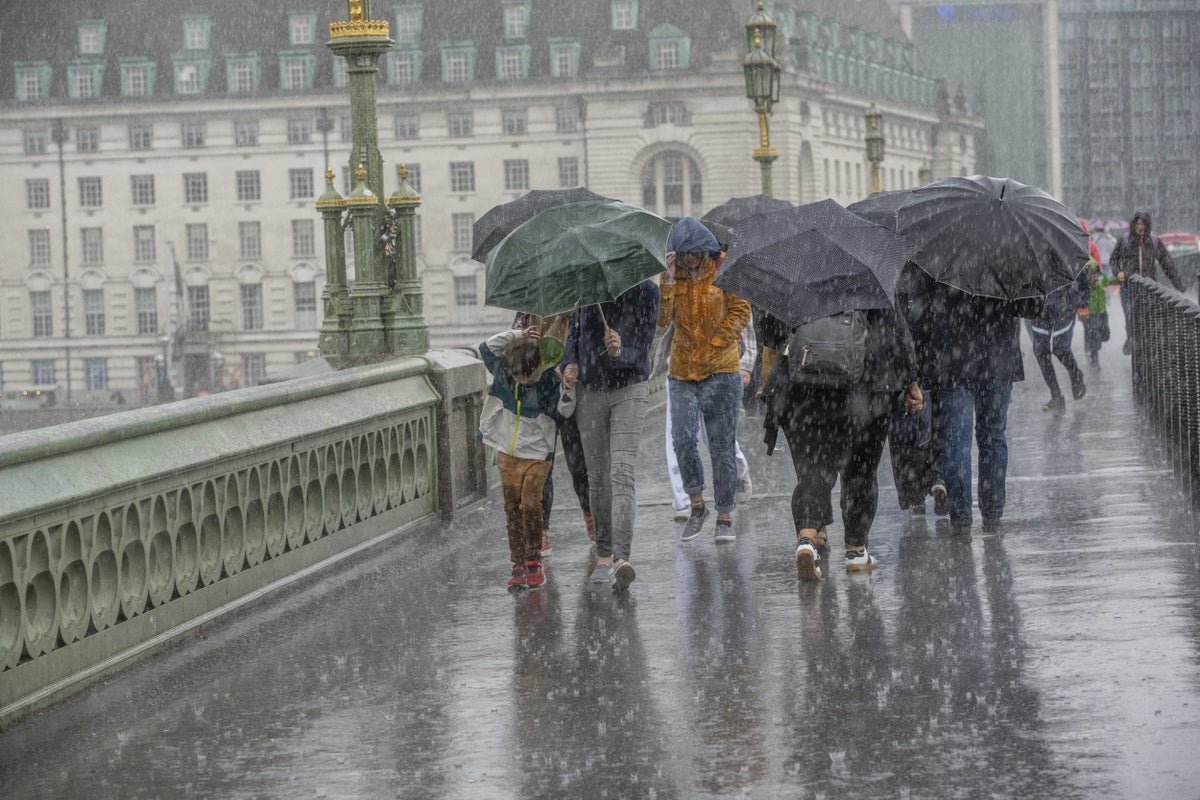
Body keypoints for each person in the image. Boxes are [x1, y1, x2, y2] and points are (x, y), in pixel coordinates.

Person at [760, 307, 923, 580]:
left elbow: (769, 330)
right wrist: (910, 381)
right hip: (868, 388)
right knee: (861, 470)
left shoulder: (797, 271)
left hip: (805, 385)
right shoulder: (869, 273)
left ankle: (807, 538)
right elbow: (896, 331)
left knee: (814, 468)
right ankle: (856, 550)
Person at [907, 269, 1041, 532]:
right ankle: (992, 513)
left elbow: (920, 314)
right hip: (998, 356)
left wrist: (917, 366)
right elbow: (1031, 305)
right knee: (993, 435)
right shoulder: (1007, 250)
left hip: (952, 358)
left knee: (956, 440)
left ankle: (961, 518)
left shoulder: (938, 251)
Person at [561, 278, 660, 592]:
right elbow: (574, 333)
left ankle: (621, 557)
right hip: (591, 389)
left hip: (630, 387)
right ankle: (603, 553)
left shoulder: (646, 291)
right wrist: (569, 363)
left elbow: (644, 348)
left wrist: (621, 351)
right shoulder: (585, 287)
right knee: (598, 476)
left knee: (621, 472)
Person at [659, 218, 752, 543]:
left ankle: (724, 515)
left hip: (722, 371)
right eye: (683, 255)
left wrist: (719, 341)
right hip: (682, 372)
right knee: (683, 439)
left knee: (721, 445)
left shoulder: (724, 270)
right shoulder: (672, 276)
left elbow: (741, 310)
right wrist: (669, 282)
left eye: (695, 254)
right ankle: (697, 505)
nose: (690, 260)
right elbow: (660, 320)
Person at [477, 325, 569, 592]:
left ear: (538, 367)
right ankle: (517, 563)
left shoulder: (549, 380)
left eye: (530, 376)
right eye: (520, 376)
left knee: (530, 504)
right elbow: (485, 348)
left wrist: (568, 389)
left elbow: (563, 412)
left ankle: (534, 561)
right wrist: (516, 335)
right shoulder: (505, 375)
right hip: (508, 453)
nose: (525, 380)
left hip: (538, 455)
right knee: (512, 510)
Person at [512, 312, 593, 554]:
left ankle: (590, 515)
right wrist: (525, 339)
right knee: (541, 464)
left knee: (578, 462)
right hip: (539, 393)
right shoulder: (528, 309)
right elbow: (515, 346)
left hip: (571, 388)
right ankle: (541, 528)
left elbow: (586, 339)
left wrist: (569, 362)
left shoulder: (578, 307)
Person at [1111, 211, 1185, 354]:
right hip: (1129, 288)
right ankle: (1131, 338)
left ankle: (1143, 349)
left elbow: (1167, 263)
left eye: (1143, 224)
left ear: (1147, 225)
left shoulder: (1154, 242)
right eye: (1138, 223)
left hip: (1149, 288)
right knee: (1130, 318)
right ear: (1134, 225)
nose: (1140, 227)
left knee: (1147, 319)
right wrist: (1118, 272)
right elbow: (1114, 259)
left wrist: (1178, 284)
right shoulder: (1125, 240)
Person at [1026, 269, 1089, 413]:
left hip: (1065, 307)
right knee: (1040, 351)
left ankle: (1076, 375)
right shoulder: (1029, 255)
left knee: (1060, 348)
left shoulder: (1064, 251)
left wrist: (1083, 304)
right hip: (1039, 309)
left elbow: (1084, 283)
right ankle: (1056, 396)